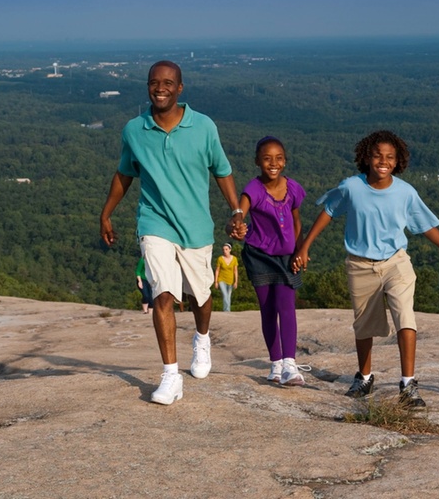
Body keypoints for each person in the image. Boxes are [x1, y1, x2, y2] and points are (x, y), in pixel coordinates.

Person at [100, 60, 246, 406]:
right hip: (154, 222)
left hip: (195, 227)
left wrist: (236, 210)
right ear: (147, 86)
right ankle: (170, 376)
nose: (160, 88)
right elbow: (124, 174)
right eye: (154, 82)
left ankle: (202, 337)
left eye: (168, 82)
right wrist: (106, 213)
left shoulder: (204, 126)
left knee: (200, 297)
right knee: (162, 293)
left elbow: (222, 171)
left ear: (180, 88)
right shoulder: (135, 130)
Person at [293, 130, 439, 406]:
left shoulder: (405, 193)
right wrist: (305, 246)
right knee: (364, 325)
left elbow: (427, 228)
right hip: (360, 264)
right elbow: (328, 211)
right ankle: (365, 378)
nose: (383, 161)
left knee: (405, 316)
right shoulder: (351, 187)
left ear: (398, 161)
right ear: (366, 157)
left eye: (390, 157)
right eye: (378, 155)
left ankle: (408, 385)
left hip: (396, 262)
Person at [237, 136, 307, 385]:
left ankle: (290, 363)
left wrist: (301, 250)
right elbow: (238, 213)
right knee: (267, 310)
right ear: (257, 161)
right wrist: (234, 225)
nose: (273, 163)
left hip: (287, 257)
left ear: (285, 161)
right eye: (266, 158)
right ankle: (275, 364)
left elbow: (297, 221)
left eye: (278, 158)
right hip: (259, 256)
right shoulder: (253, 189)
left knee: (286, 307)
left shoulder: (293, 188)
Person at [213, 243, 239, 312]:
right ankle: (226, 310)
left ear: (230, 250)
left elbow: (235, 271)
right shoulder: (220, 259)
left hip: (230, 280)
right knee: (224, 294)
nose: (225, 251)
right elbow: (217, 270)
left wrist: (236, 281)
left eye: (226, 249)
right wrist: (216, 282)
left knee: (228, 296)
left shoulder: (234, 259)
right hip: (221, 279)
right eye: (223, 249)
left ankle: (227, 310)